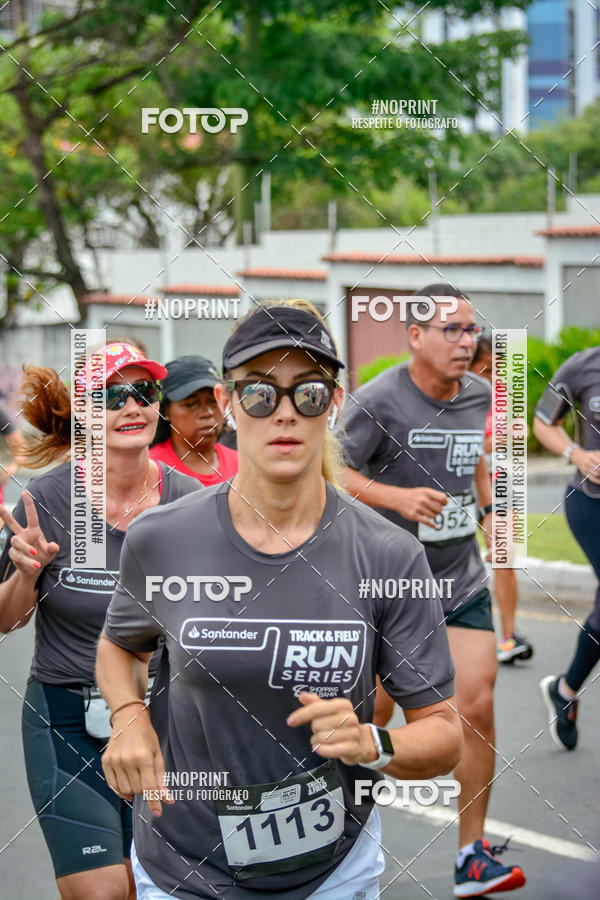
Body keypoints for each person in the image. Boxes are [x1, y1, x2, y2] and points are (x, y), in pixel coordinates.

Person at [97, 300, 463, 900]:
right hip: (184, 868)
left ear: (334, 403)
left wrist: (375, 743)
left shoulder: (389, 555)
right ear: (228, 403)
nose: (286, 412)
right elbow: (120, 647)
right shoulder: (162, 538)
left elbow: (444, 733)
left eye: (309, 393)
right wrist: (128, 716)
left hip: (333, 872)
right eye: (261, 393)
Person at [340, 284, 526, 897]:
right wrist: (395, 498)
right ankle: (339, 847)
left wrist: (490, 510)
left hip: (458, 578)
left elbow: (474, 459)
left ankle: (472, 854)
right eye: (452, 329)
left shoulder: (478, 394)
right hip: (385, 585)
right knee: (369, 718)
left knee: (477, 707)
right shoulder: (378, 400)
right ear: (415, 336)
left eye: (471, 329)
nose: (466, 341)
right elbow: (331, 471)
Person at [0, 341, 201, 900]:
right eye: (112, 396)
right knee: (104, 890)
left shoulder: (191, 502)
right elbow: (6, 621)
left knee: (164, 886)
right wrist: (25, 575)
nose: (132, 406)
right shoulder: (46, 500)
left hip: (165, 722)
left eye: (144, 391)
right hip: (65, 717)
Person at [534, 345, 600, 751]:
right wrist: (576, 454)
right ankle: (565, 689)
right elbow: (544, 422)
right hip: (591, 504)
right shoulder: (583, 365)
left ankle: (565, 689)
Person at [469, 336, 533, 664]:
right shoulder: (455, 394)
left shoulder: (502, 393)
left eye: (499, 369)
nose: (494, 377)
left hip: (501, 481)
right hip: (461, 484)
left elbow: (519, 433)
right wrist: (500, 439)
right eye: (488, 369)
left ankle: (507, 639)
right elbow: (468, 442)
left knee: (505, 556)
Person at [150, 354, 238, 486]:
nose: (207, 413)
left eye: (213, 401)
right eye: (191, 404)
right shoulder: (151, 469)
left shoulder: (243, 464)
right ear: (166, 411)